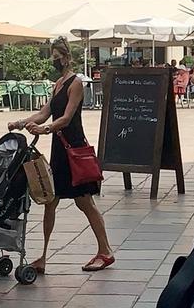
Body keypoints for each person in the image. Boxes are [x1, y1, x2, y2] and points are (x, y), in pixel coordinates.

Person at [10, 44, 116, 274]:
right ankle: (44, 256)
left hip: (73, 148)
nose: (54, 62)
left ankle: (105, 251)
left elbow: (66, 117)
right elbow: (45, 112)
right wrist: (20, 123)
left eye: (57, 58)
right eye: (53, 58)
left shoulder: (75, 83)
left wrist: (45, 129)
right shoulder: (58, 84)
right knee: (51, 201)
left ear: (67, 58)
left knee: (84, 201)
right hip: (60, 148)